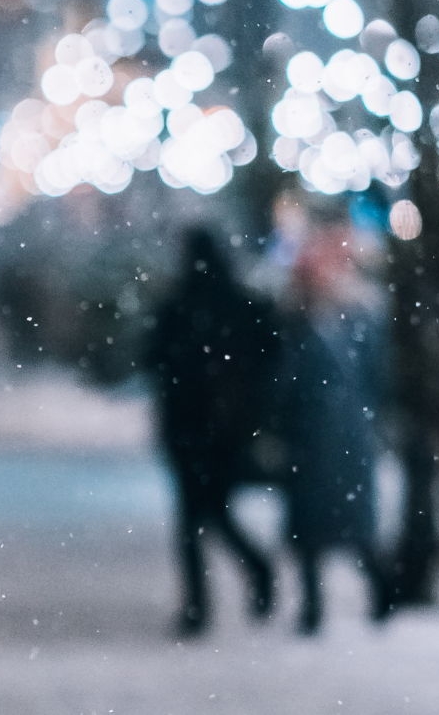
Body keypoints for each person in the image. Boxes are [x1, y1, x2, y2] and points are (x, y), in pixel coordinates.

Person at [142, 226, 279, 636]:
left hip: (189, 430)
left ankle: (200, 605)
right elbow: (269, 355)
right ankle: (250, 573)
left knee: (193, 519)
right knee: (214, 514)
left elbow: (154, 360)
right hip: (225, 430)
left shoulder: (179, 306)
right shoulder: (240, 304)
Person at [276, 206, 392, 635]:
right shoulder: (299, 312)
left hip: (346, 435)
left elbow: (377, 376)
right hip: (313, 436)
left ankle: (379, 592)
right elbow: (286, 378)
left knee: (352, 525)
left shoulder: (362, 310)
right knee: (312, 528)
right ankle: (313, 607)